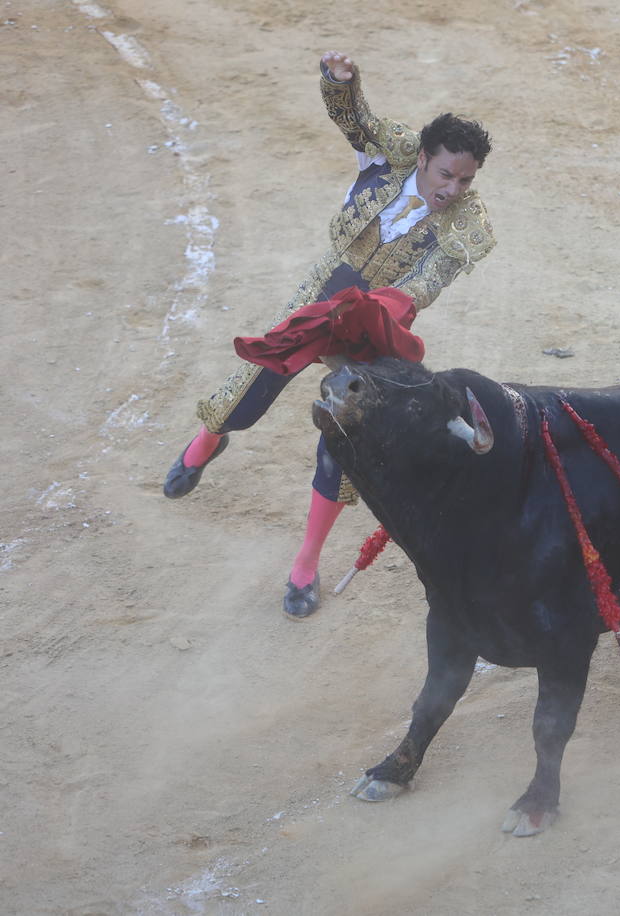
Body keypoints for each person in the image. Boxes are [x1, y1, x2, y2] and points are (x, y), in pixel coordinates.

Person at [163, 51, 496, 619]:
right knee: (256, 380)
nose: (453, 188)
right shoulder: (392, 153)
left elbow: (425, 284)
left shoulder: (471, 226)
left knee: (346, 442)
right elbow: (354, 118)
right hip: (329, 285)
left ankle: (305, 566)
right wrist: (340, 83)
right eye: (446, 174)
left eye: (465, 179)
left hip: (378, 324)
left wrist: (373, 312)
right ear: (423, 158)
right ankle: (206, 442)